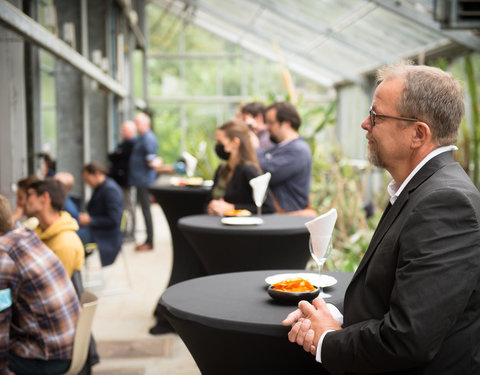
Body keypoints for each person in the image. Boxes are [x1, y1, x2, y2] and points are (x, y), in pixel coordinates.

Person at [282, 63, 480, 374]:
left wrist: (327, 340)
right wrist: (333, 313)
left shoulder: (446, 203)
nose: (365, 124)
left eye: (377, 116)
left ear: (418, 134)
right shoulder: (421, 188)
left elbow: (408, 339)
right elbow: (391, 292)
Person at [0, 195, 80, 374]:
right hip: (67, 348)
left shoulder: (4, 255)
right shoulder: (25, 235)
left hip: (47, 359)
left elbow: (1, 321)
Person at [207, 120, 275, 215]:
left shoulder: (248, 170)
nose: (218, 146)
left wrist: (232, 208)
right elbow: (211, 199)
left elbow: (268, 208)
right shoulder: (222, 169)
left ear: (235, 143)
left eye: (220, 142)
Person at [257, 102, 312, 213]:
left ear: (286, 124)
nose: (267, 127)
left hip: (288, 216)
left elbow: (267, 173)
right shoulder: (280, 148)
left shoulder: (298, 150)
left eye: (271, 123)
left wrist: (253, 147)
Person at [24, 178, 84, 278]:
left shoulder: (65, 244)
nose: (24, 201)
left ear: (45, 197)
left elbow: (53, 288)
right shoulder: (37, 231)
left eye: (29, 195)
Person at [78, 162, 124, 267]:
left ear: (97, 174)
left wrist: (90, 220)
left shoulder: (110, 190)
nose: (87, 183)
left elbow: (114, 220)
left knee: (71, 240)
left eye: (87, 179)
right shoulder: (102, 187)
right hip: (97, 228)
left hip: (105, 233)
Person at [129, 112, 158, 251]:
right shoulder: (142, 138)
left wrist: (156, 162)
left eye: (138, 123)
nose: (136, 125)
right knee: (145, 210)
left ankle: (150, 241)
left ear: (146, 123)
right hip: (140, 180)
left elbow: (151, 161)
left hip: (144, 180)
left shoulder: (148, 138)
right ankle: (148, 240)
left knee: (146, 210)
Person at [108, 120, 137, 240]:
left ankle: (130, 232)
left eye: (124, 130)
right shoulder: (125, 144)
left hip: (126, 181)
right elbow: (114, 156)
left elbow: (118, 157)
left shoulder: (132, 144)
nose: (121, 132)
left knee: (128, 206)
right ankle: (124, 231)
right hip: (119, 181)